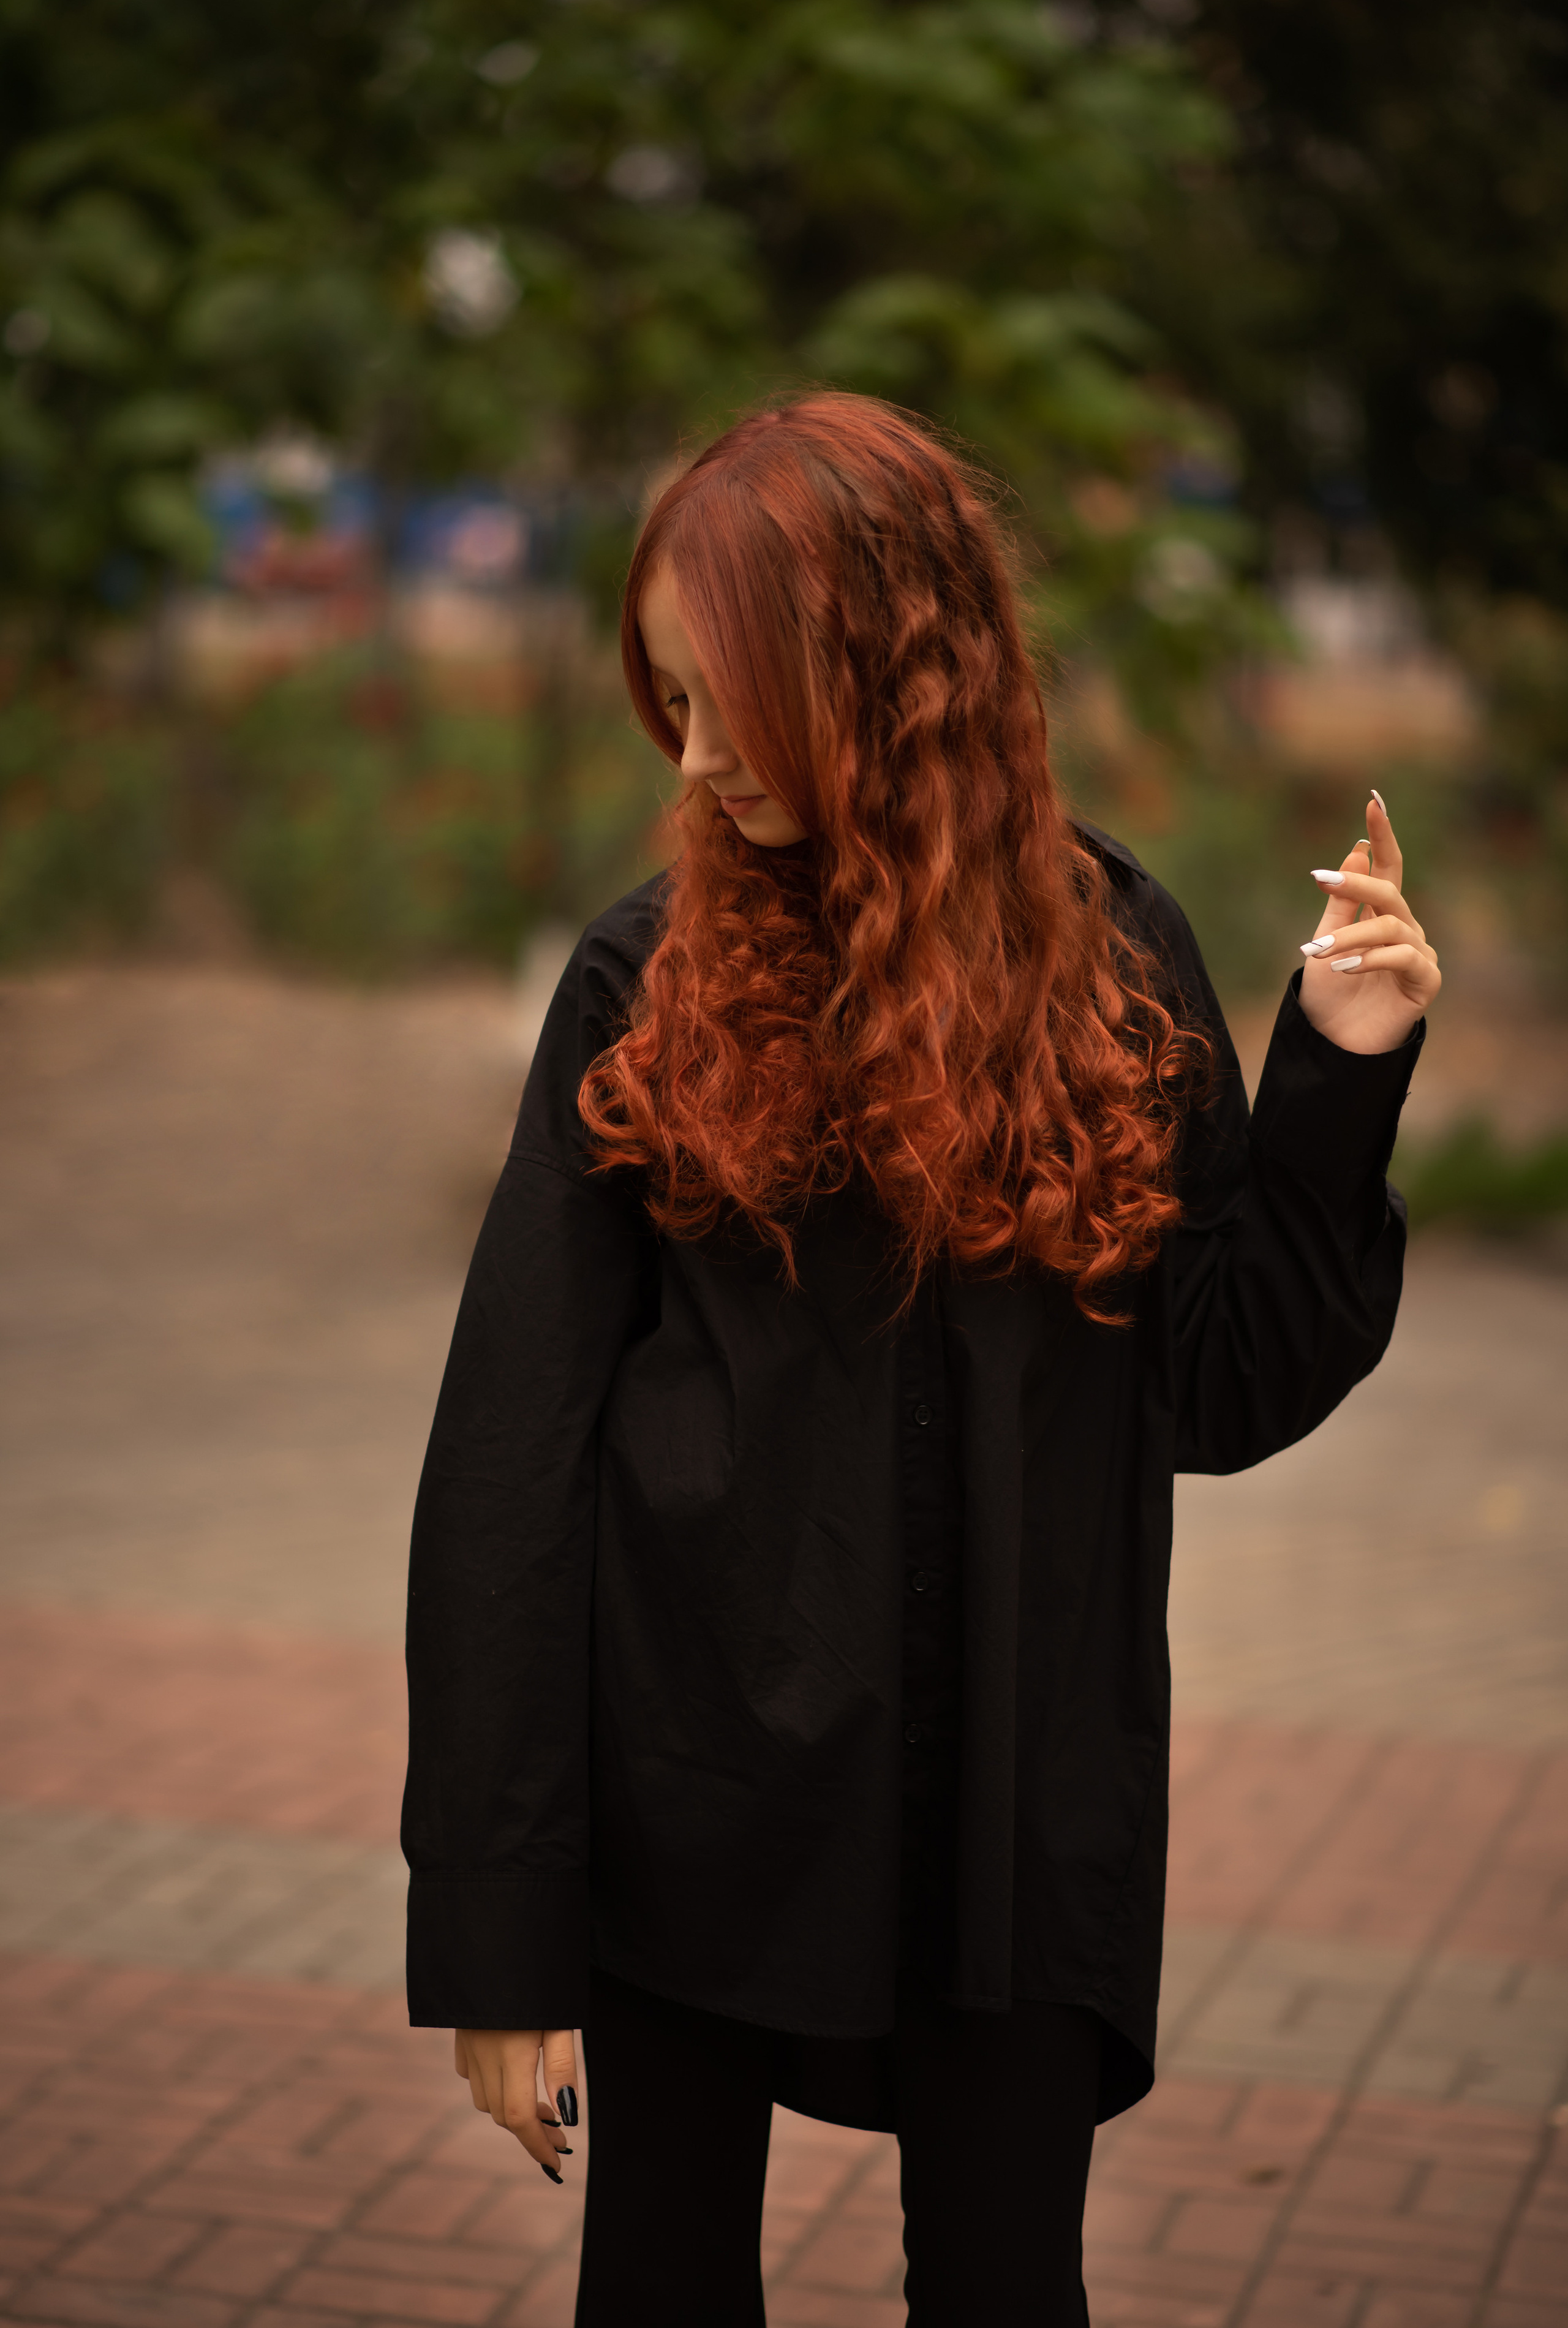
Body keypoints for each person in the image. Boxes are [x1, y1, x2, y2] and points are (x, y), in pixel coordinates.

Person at [401, 395, 1441, 2325]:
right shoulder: (649, 980)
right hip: (689, 1785)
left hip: (1013, 1808)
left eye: (734, 706)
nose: (699, 762)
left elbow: (1212, 1383)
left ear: (892, 671)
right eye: (669, 704)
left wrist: (1339, 1078)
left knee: (1002, 2288)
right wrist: (499, 1927)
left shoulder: (1117, 957)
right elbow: (509, 1464)